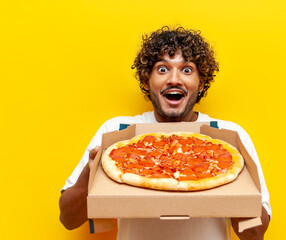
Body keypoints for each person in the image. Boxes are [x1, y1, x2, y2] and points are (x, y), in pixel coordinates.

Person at [59, 26, 271, 240]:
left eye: (187, 70)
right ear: (145, 80)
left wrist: (239, 182)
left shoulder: (229, 136)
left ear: (201, 83)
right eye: (162, 69)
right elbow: (68, 219)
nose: (174, 79)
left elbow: (254, 235)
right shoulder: (116, 132)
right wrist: (91, 171)